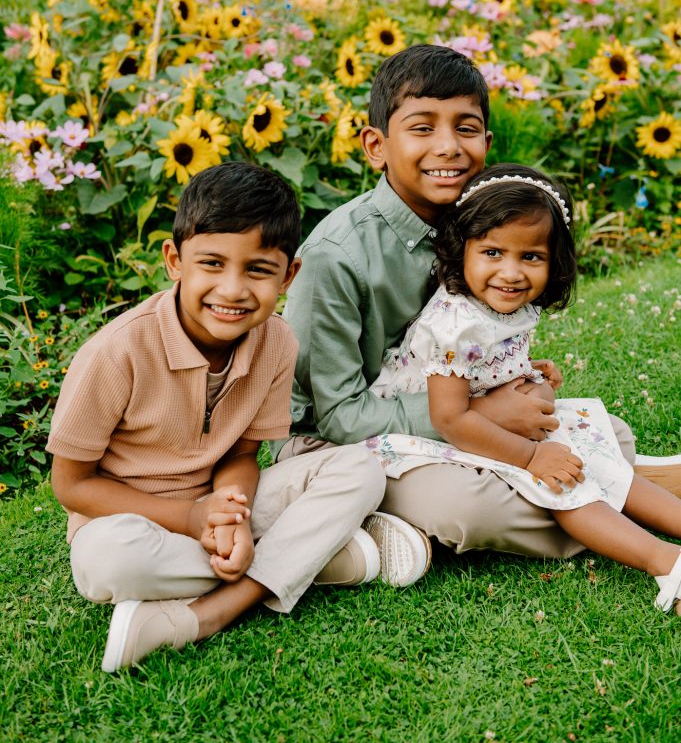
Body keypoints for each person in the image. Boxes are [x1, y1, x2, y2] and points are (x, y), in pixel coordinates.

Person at [278, 43, 681, 562]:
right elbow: (337, 418)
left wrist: (509, 380)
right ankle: (621, 493)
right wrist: (482, 411)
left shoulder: (480, 222)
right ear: (376, 145)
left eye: (465, 129)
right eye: (422, 128)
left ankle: (612, 479)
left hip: (446, 425)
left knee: (596, 429)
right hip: (342, 447)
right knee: (466, 508)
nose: (447, 147)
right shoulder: (336, 256)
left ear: (486, 142)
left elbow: (460, 344)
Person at [47, 161, 428, 673]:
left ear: (289, 275)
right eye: (211, 264)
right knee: (103, 562)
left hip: (227, 511)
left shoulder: (277, 342)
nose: (232, 290)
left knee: (358, 467)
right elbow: (72, 485)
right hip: (134, 522)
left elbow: (244, 454)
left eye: (257, 269)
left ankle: (211, 612)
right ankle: (322, 560)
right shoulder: (117, 353)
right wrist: (189, 518)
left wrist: (234, 514)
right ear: (174, 260)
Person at [367, 163, 681, 612]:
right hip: (418, 439)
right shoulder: (455, 322)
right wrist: (533, 458)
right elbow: (447, 417)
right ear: (462, 250)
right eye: (492, 253)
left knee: (595, 454)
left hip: (485, 413)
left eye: (530, 257)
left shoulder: (501, 302)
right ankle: (665, 562)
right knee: (561, 483)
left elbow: (483, 364)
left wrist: (525, 369)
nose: (511, 273)